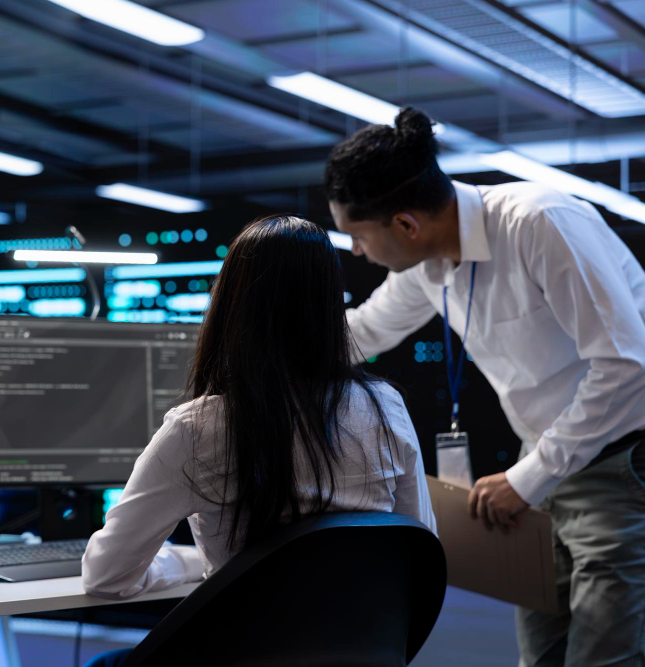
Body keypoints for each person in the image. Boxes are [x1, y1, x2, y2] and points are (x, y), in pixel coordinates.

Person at [331, 107, 645, 666]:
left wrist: (527, 479)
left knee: (604, 657)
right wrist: (264, 341)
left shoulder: (540, 223)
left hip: (616, 461)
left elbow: (626, 368)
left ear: (405, 225)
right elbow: (366, 330)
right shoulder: (429, 266)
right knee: (540, 656)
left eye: (357, 236)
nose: (356, 251)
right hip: (544, 464)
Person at [81, 215, 436, 666]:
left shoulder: (196, 428)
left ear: (230, 303)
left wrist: (188, 563)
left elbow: (106, 575)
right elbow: (416, 549)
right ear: (330, 303)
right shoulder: (386, 407)